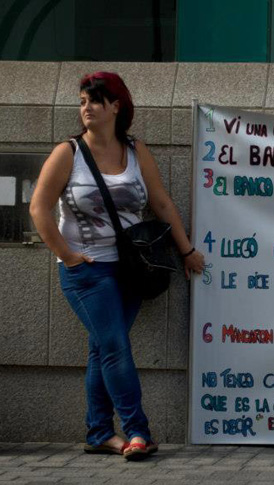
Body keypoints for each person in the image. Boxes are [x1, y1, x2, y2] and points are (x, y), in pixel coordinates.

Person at [29, 72, 205, 460]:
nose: (86, 108)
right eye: (82, 101)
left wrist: (186, 249)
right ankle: (139, 431)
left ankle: (98, 432)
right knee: (115, 347)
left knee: (103, 350)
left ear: (115, 106)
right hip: (87, 271)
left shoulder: (135, 150)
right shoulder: (68, 153)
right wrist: (69, 256)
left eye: (95, 100)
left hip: (131, 268)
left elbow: (160, 203)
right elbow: (39, 208)